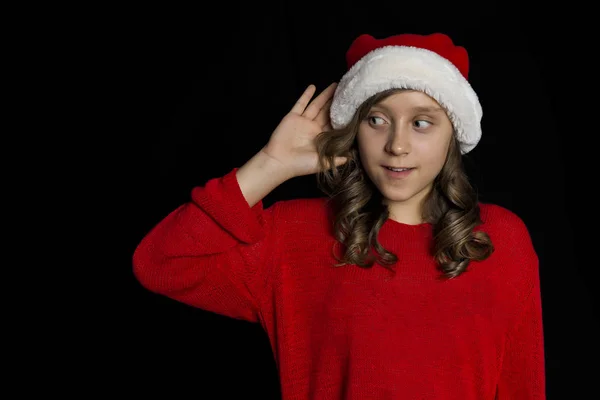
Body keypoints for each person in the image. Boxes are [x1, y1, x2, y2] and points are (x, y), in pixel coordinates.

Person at [132, 32, 546, 399]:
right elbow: (161, 263)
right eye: (376, 119)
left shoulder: (499, 239)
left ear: (452, 134)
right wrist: (271, 164)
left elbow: (522, 386)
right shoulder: (293, 235)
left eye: (422, 123)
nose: (396, 145)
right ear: (353, 128)